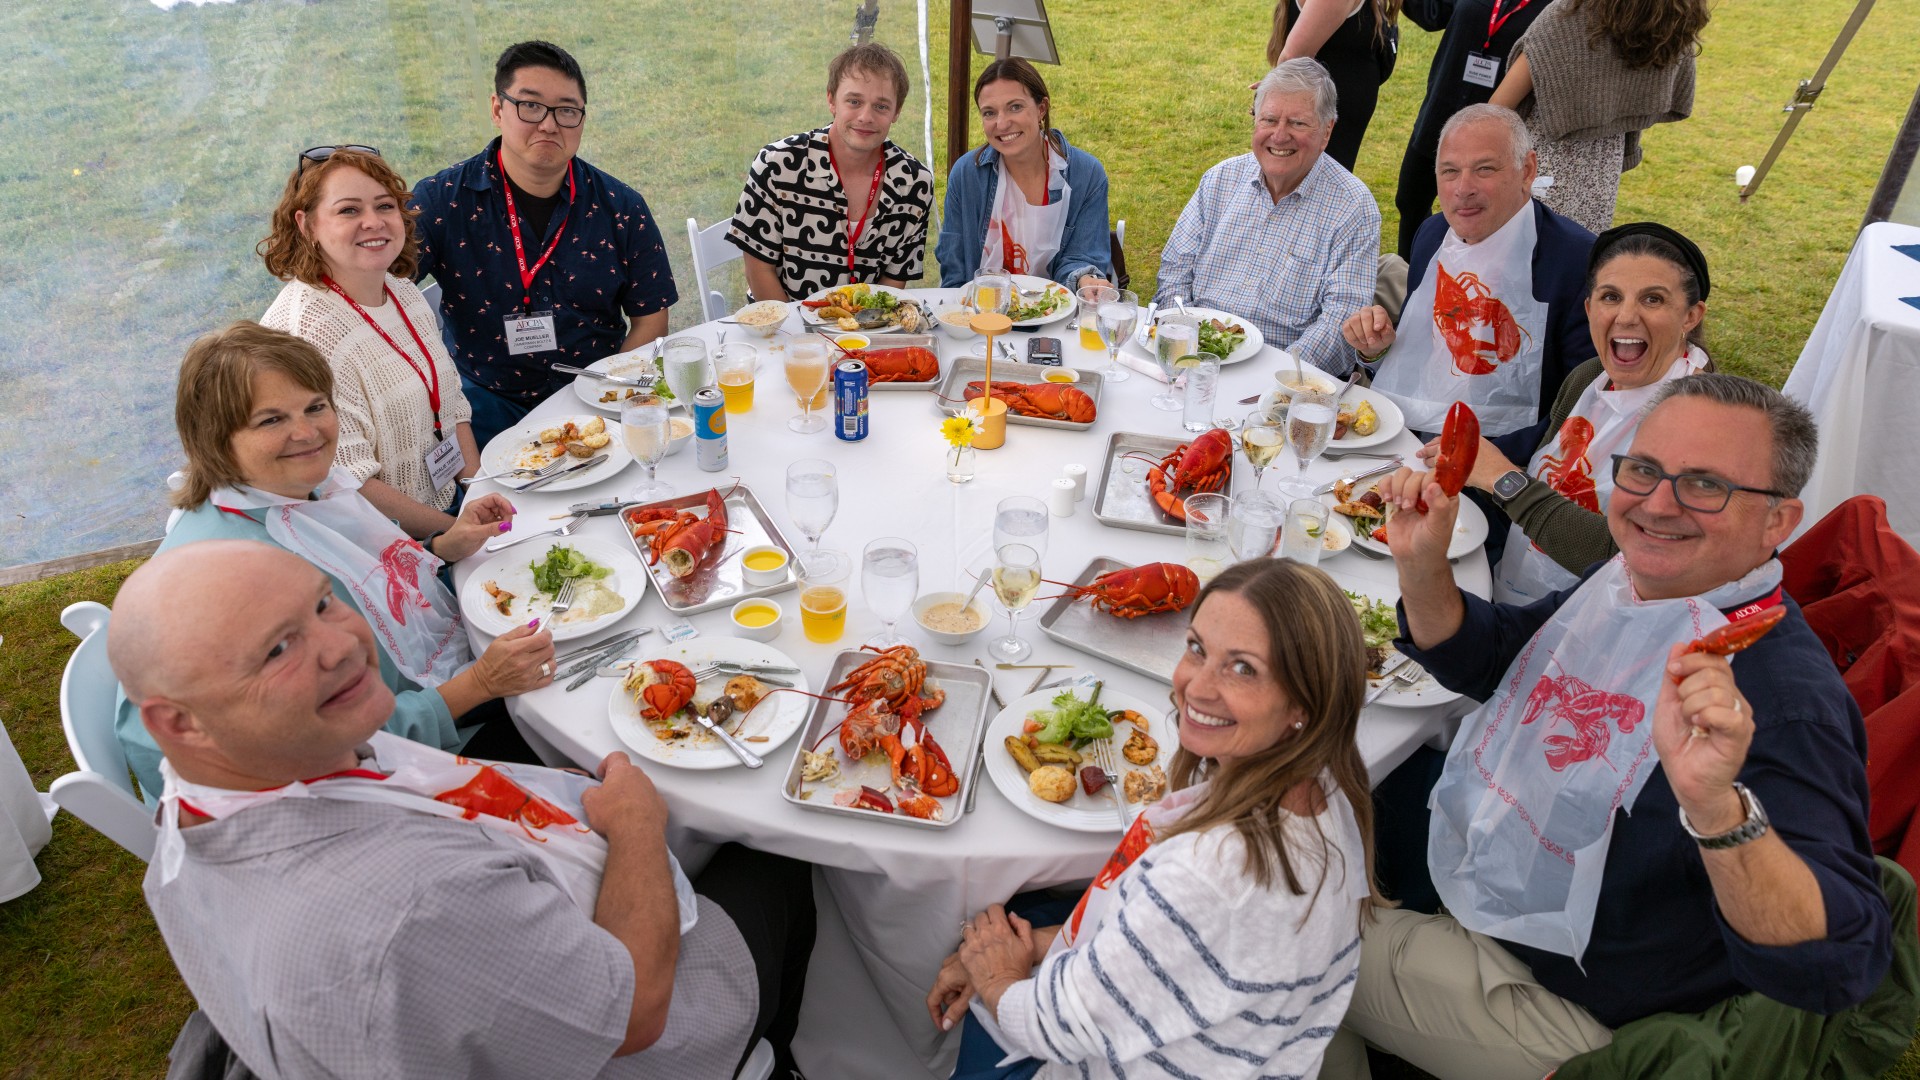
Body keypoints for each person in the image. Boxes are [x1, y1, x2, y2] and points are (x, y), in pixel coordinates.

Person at [1326, 374, 1892, 1079]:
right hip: (1494, 877)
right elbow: (1501, 661)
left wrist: (1716, 808)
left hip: (1578, 1010)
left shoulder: (1785, 701)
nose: (1658, 504)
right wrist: (1420, 565)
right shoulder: (1635, 581)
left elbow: (1840, 965)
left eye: (1705, 484)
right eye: (1644, 469)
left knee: (1289, 935)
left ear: (1778, 522)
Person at [114, 540, 817, 1078]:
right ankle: (772, 1054)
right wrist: (635, 823)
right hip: (638, 1042)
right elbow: (634, 1011)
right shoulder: (410, 907)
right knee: (777, 859)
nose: (346, 646)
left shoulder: (201, 793)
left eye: (323, 602)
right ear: (180, 724)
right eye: (276, 650)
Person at [929, 558, 1381, 1079]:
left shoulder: (1209, 877)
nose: (1197, 687)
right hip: (1259, 1048)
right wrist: (1030, 943)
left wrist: (996, 969)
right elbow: (1161, 947)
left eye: (1243, 668)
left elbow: (1051, 1026)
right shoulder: (1332, 784)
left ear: (1305, 702)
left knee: (968, 923)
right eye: (1197, 649)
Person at [113, 322, 552, 803]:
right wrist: (481, 685)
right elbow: (327, 746)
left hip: (428, 701)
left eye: (315, 407)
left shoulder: (305, 488)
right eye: (271, 420)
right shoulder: (239, 572)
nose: (307, 433)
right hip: (373, 783)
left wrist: (442, 547)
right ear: (215, 437)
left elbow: (364, 582)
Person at [412, 41, 677, 448]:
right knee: (491, 512)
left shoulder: (620, 206)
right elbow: (381, 283)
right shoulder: (442, 200)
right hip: (484, 402)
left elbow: (651, 319)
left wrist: (610, 390)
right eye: (530, 106)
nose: (550, 125)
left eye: (567, 111)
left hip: (592, 395)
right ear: (498, 109)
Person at [1429, 222, 1711, 604]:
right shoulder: (1590, 376)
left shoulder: (1698, 422)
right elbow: (1546, 475)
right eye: (1611, 296)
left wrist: (1501, 479)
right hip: (1515, 593)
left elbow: (1628, 558)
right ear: (1589, 308)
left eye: (1653, 300)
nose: (1626, 317)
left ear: (1691, 316)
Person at [1342, 104, 1596, 438]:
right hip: (1406, 430)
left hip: (1501, 459)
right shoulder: (1433, 234)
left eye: (1485, 169)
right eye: (1449, 172)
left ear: (1527, 169)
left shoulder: (1578, 259)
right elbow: (1417, 348)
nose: (1463, 188)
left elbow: (1581, 405)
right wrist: (1375, 349)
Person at [260, 146, 476, 538]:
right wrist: (455, 535)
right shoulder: (305, 336)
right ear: (306, 225)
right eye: (349, 210)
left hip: (446, 514)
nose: (373, 222)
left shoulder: (401, 292)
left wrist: (478, 497)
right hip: (377, 542)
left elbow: (451, 403)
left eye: (385, 206)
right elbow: (345, 480)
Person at [1156, 58, 1381, 375]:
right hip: (1191, 360)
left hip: (1277, 380)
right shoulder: (1220, 180)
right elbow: (1175, 270)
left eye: (1298, 124)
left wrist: (1275, 377)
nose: (1279, 135)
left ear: (1327, 131)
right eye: (1270, 120)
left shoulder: (1353, 207)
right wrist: (1183, 341)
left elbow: (1341, 318)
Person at [729, 43, 936, 302]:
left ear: (897, 112)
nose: (865, 116)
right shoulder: (777, 165)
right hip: (783, 327)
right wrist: (801, 337)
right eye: (854, 101)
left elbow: (894, 279)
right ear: (831, 100)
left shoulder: (915, 183)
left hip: (866, 328)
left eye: (881, 106)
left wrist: (860, 332)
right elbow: (758, 270)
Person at [1489, 0, 1704, 234]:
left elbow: (1498, 108)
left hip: (1540, 161)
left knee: (1514, 253)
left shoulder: (1569, 14)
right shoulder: (1672, 18)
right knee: (1576, 256)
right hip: (1602, 172)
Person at [1391, 0, 1558, 259]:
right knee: (1410, 199)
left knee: (1475, 221)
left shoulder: (1556, 6)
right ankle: (1409, 279)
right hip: (1441, 112)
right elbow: (1432, 14)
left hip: (1497, 135)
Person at [935, 57, 1113, 293]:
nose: (1002, 123)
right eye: (989, 113)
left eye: (1015, 107)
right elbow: (954, 271)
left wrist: (1084, 280)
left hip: (1057, 318)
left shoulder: (1087, 173)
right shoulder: (966, 174)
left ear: (1041, 109)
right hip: (981, 317)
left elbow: (1082, 257)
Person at [1265, 0, 1402, 170]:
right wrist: (1269, 96)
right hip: (1319, 110)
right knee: (1308, 183)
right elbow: (1292, 58)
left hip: (1332, 110)